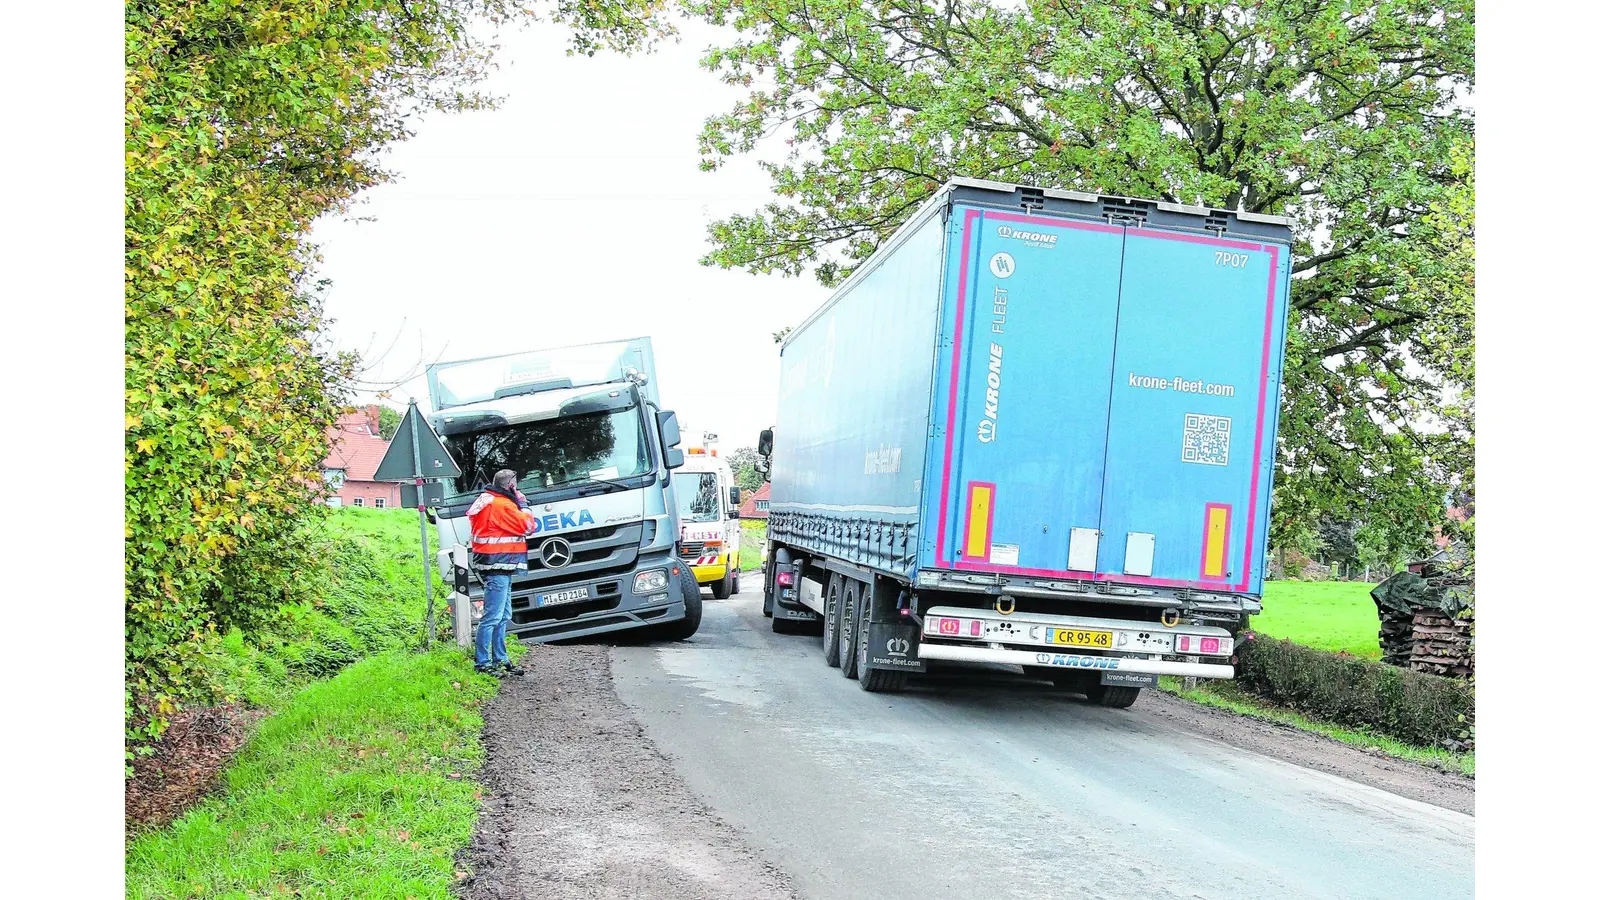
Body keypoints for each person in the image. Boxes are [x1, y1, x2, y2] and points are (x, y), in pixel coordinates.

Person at [466, 469, 535, 676]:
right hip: (499, 564)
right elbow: (529, 526)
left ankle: (500, 659)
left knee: (503, 615)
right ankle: (483, 664)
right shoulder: (502, 504)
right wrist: (522, 503)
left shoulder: (485, 500)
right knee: (493, 617)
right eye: (516, 485)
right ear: (511, 486)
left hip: (495, 564)